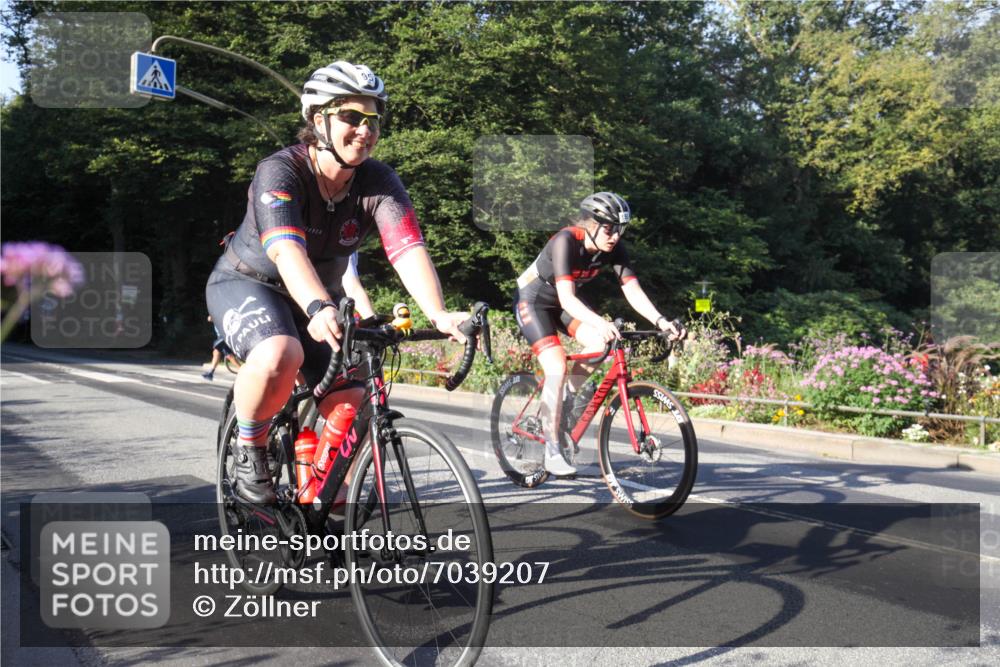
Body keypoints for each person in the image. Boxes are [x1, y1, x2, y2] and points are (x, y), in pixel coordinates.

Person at [206, 61, 467, 504]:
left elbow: (406, 248)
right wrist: (317, 306)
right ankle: (250, 447)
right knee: (278, 352)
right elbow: (286, 250)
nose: (365, 130)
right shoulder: (281, 170)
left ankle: (321, 500)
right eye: (351, 117)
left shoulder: (378, 181)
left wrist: (438, 314)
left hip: (320, 297)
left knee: (353, 403)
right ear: (317, 119)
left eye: (373, 120)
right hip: (250, 283)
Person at [513, 192, 686, 476]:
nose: (615, 236)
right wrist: (600, 320)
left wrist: (660, 320)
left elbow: (631, 289)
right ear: (590, 224)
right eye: (609, 229)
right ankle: (552, 450)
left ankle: (566, 396)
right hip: (532, 301)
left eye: (620, 229)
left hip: (560, 305)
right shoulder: (565, 241)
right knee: (556, 363)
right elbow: (568, 299)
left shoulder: (613, 248)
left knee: (599, 342)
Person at [202, 315, 226, 381]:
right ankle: (211, 373)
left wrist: (214, 317)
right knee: (216, 352)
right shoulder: (215, 310)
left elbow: (211, 318)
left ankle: (241, 369)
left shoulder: (221, 310)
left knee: (229, 355)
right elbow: (209, 318)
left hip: (224, 335)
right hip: (220, 336)